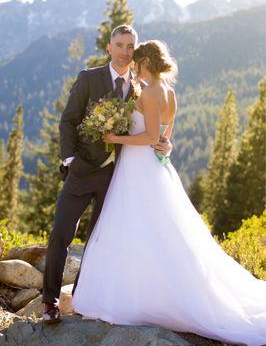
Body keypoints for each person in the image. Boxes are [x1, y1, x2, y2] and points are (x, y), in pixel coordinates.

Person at [72, 40, 266, 346]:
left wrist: (114, 137)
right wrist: (164, 144)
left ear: (146, 60)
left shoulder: (149, 92)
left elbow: (150, 137)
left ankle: (131, 296)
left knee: (133, 224)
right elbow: (164, 139)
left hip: (138, 169)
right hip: (155, 168)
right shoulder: (169, 94)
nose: (134, 64)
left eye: (137, 60)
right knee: (157, 228)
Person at [42, 26, 173, 323]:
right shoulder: (89, 78)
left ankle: (82, 297)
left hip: (116, 176)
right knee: (61, 233)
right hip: (80, 171)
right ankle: (49, 300)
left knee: (99, 240)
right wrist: (70, 159)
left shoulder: (140, 87)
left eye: (131, 46)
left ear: (136, 50)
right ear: (108, 47)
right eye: (120, 45)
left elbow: (153, 129)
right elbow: (68, 121)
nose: (125, 51)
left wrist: (166, 143)